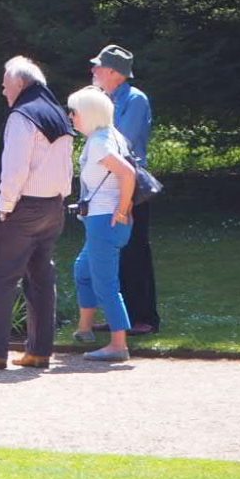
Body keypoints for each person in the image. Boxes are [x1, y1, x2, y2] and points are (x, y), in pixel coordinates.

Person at [0, 57, 72, 371]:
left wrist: (5, 207)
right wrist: (62, 197)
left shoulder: (22, 115)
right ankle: (39, 351)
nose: (3, 89)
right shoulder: (58, 113)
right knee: (41, 278)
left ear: (20, 83)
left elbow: (15, 167)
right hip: (52, 206)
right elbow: (67, 163)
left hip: (22, 208)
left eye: (6, 83)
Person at [67, 86, 137, 362]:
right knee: (82, 270)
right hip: (103, 220)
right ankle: (85, 329)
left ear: (87, 114)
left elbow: (128, 173)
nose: (71, 117)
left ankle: (118, 345)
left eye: (74, 112)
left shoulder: (99, 142)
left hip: (103, 221)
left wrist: (121, 209)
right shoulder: (111, 136)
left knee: (105, 283)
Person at [92, 44, 158, 335]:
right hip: (110, 183)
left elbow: (122, 141)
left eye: (98, 66)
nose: (93, 71)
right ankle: (122, 317)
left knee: (135, 250)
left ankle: (145, 317)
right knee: (116, 251)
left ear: (114, 73)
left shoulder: (135, 99)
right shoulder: (105, 98)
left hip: (130, 182)